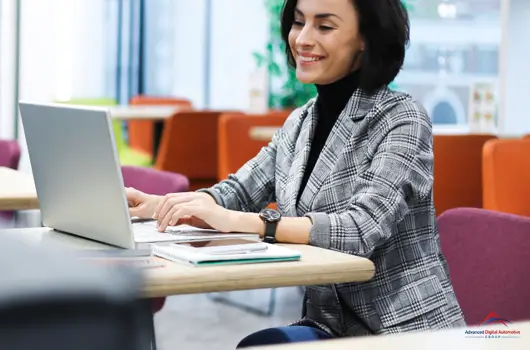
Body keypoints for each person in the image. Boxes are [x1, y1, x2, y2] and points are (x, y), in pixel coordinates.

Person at [125, 0, 465, 346]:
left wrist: (251, 223)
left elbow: (361, 230)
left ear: (367, 37)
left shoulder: (402, 118)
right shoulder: (300, 122)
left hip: (404, 332)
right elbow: (238, 191)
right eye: (299, 23)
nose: (302, 38)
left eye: (324, 26)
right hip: (332, 327)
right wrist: (157, 206)